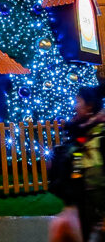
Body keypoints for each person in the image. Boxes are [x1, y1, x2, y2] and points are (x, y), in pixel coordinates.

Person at [49, 85, 105, 242]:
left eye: (78, 101)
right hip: (82, 212)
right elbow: (76, 173)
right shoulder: (80, 136)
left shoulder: (98, 137)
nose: (75, 106)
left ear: (90, 106)